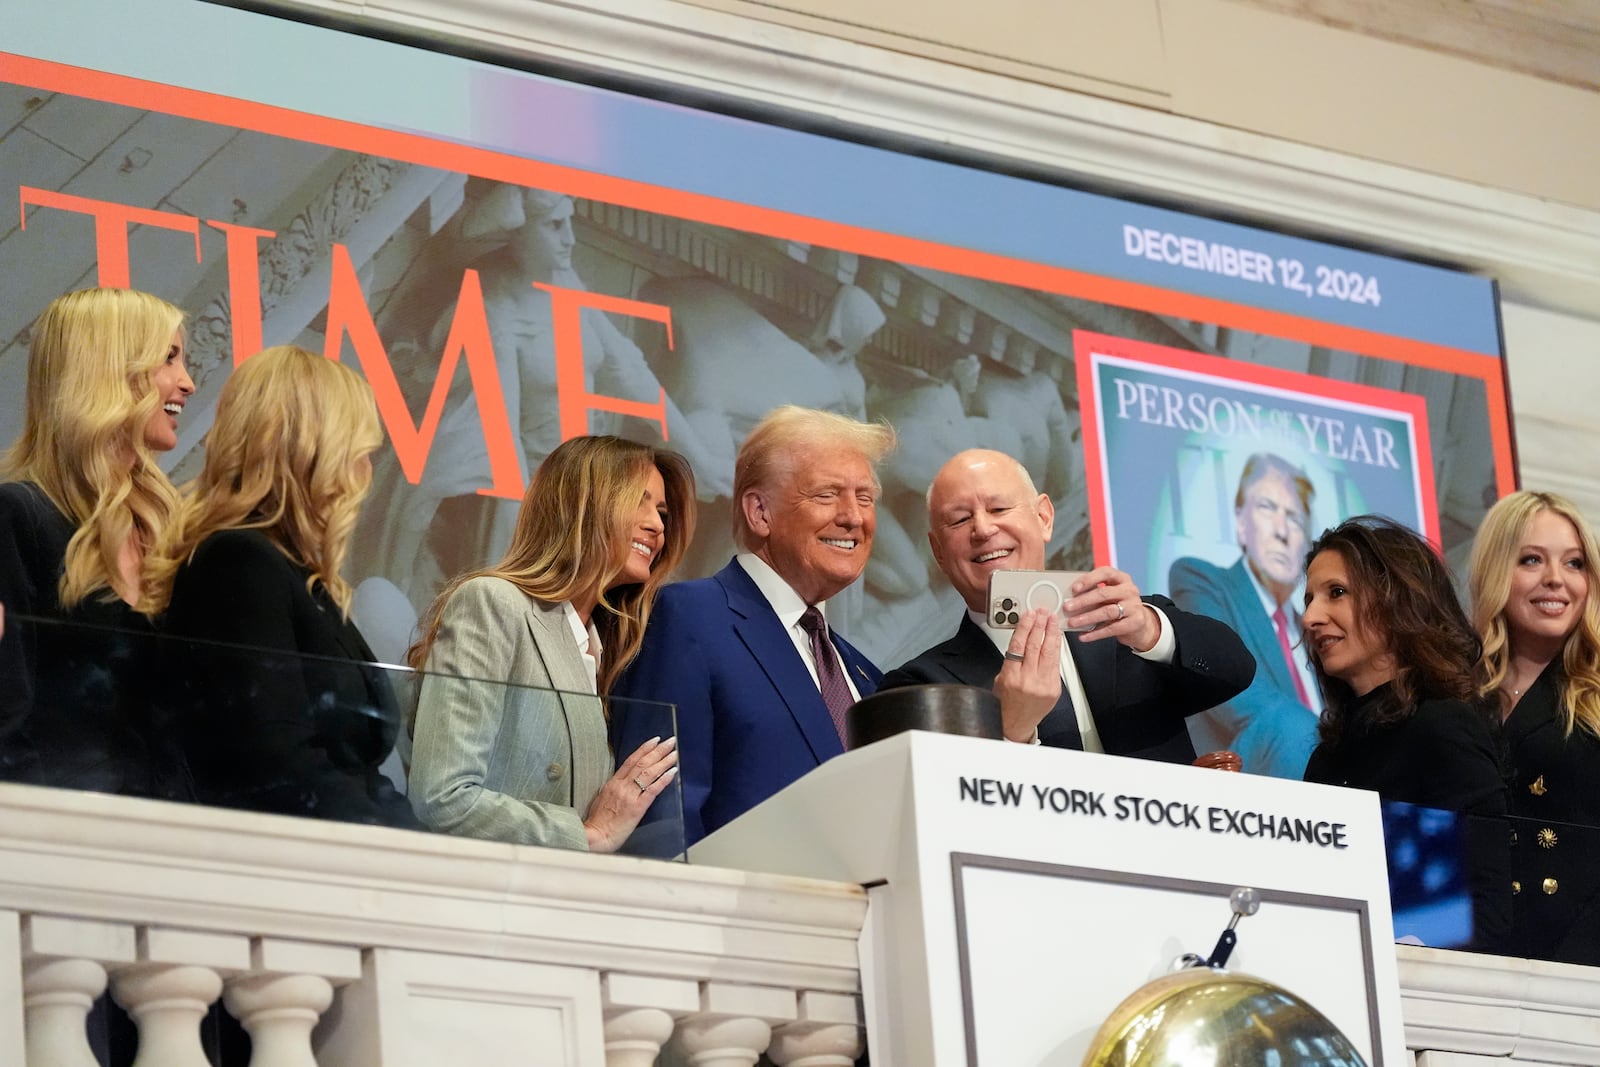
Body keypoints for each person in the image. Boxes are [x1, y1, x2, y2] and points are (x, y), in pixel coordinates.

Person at [154, 346, 417, 827]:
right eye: (358, 452)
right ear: (310, 451)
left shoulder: (297, 575)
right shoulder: (238, 563)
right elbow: (279, 763)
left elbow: (359, 776)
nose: (366, 473)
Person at [610, 405, 896, 845]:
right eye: (827, 494)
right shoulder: (690, 617)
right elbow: (661, 820)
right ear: (760, 512)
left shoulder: (862, 674)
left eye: (865, 497)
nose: (854, 517)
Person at [406, 435, 690, 852]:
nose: (658, 525)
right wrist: (587, 835)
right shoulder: (494, 603)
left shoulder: (610, 651)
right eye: (639, 501)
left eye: (662, 512)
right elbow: (443, 796)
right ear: (581, 505)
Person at [880, 449, 1256, 760]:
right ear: (938, 552)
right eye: (960, 520)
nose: (982, 529)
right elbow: (937, 808)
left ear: (1044, 518)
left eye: (998, 509)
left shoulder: (1126, 628)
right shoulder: (920, 686)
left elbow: (1235, 670)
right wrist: (1009, 730)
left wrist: (1148, 629)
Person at [0, 287, 193, 795]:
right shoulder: (19, 516)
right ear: (109, 369)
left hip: (180, 839)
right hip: (64, 842)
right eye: (168, 358)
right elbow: (6, 719)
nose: (187, 382)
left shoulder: (166, 529)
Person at [1300, 515, 1508, 948]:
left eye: (1336, 593)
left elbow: (1485, 903)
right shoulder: (1328, 757)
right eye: (1308, 600)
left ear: (1400, 601)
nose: (1311, 617)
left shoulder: (1443, 728)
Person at [1469, 491, 1600, 965]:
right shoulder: (1456, 697)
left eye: (1574, 564)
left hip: (1580, 975)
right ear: (1495, 570)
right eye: (1531, 560)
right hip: (1469, 965)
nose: (1556, 580)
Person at [1169, 453, 1322, 777]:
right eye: (1267, 508)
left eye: (1295, 518)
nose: (1282, 530)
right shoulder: (1202, 581)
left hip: (1335, 805)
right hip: (1236, 788)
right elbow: (1238, 697)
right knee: (1290, 725)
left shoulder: (1315, 629)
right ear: (1241, 524)